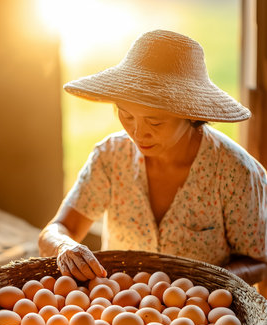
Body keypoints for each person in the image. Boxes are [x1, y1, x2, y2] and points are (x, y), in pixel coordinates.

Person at [38, 29, 267, 282]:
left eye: (155, 123)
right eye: (126, 116)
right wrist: (64, 246)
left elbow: (259, 262)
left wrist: (204, 285)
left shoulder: (236, 171)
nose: (138, 133)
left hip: (205, 315)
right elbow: (58, 229)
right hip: (119, 306)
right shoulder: (111, 157)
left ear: (191, 114)